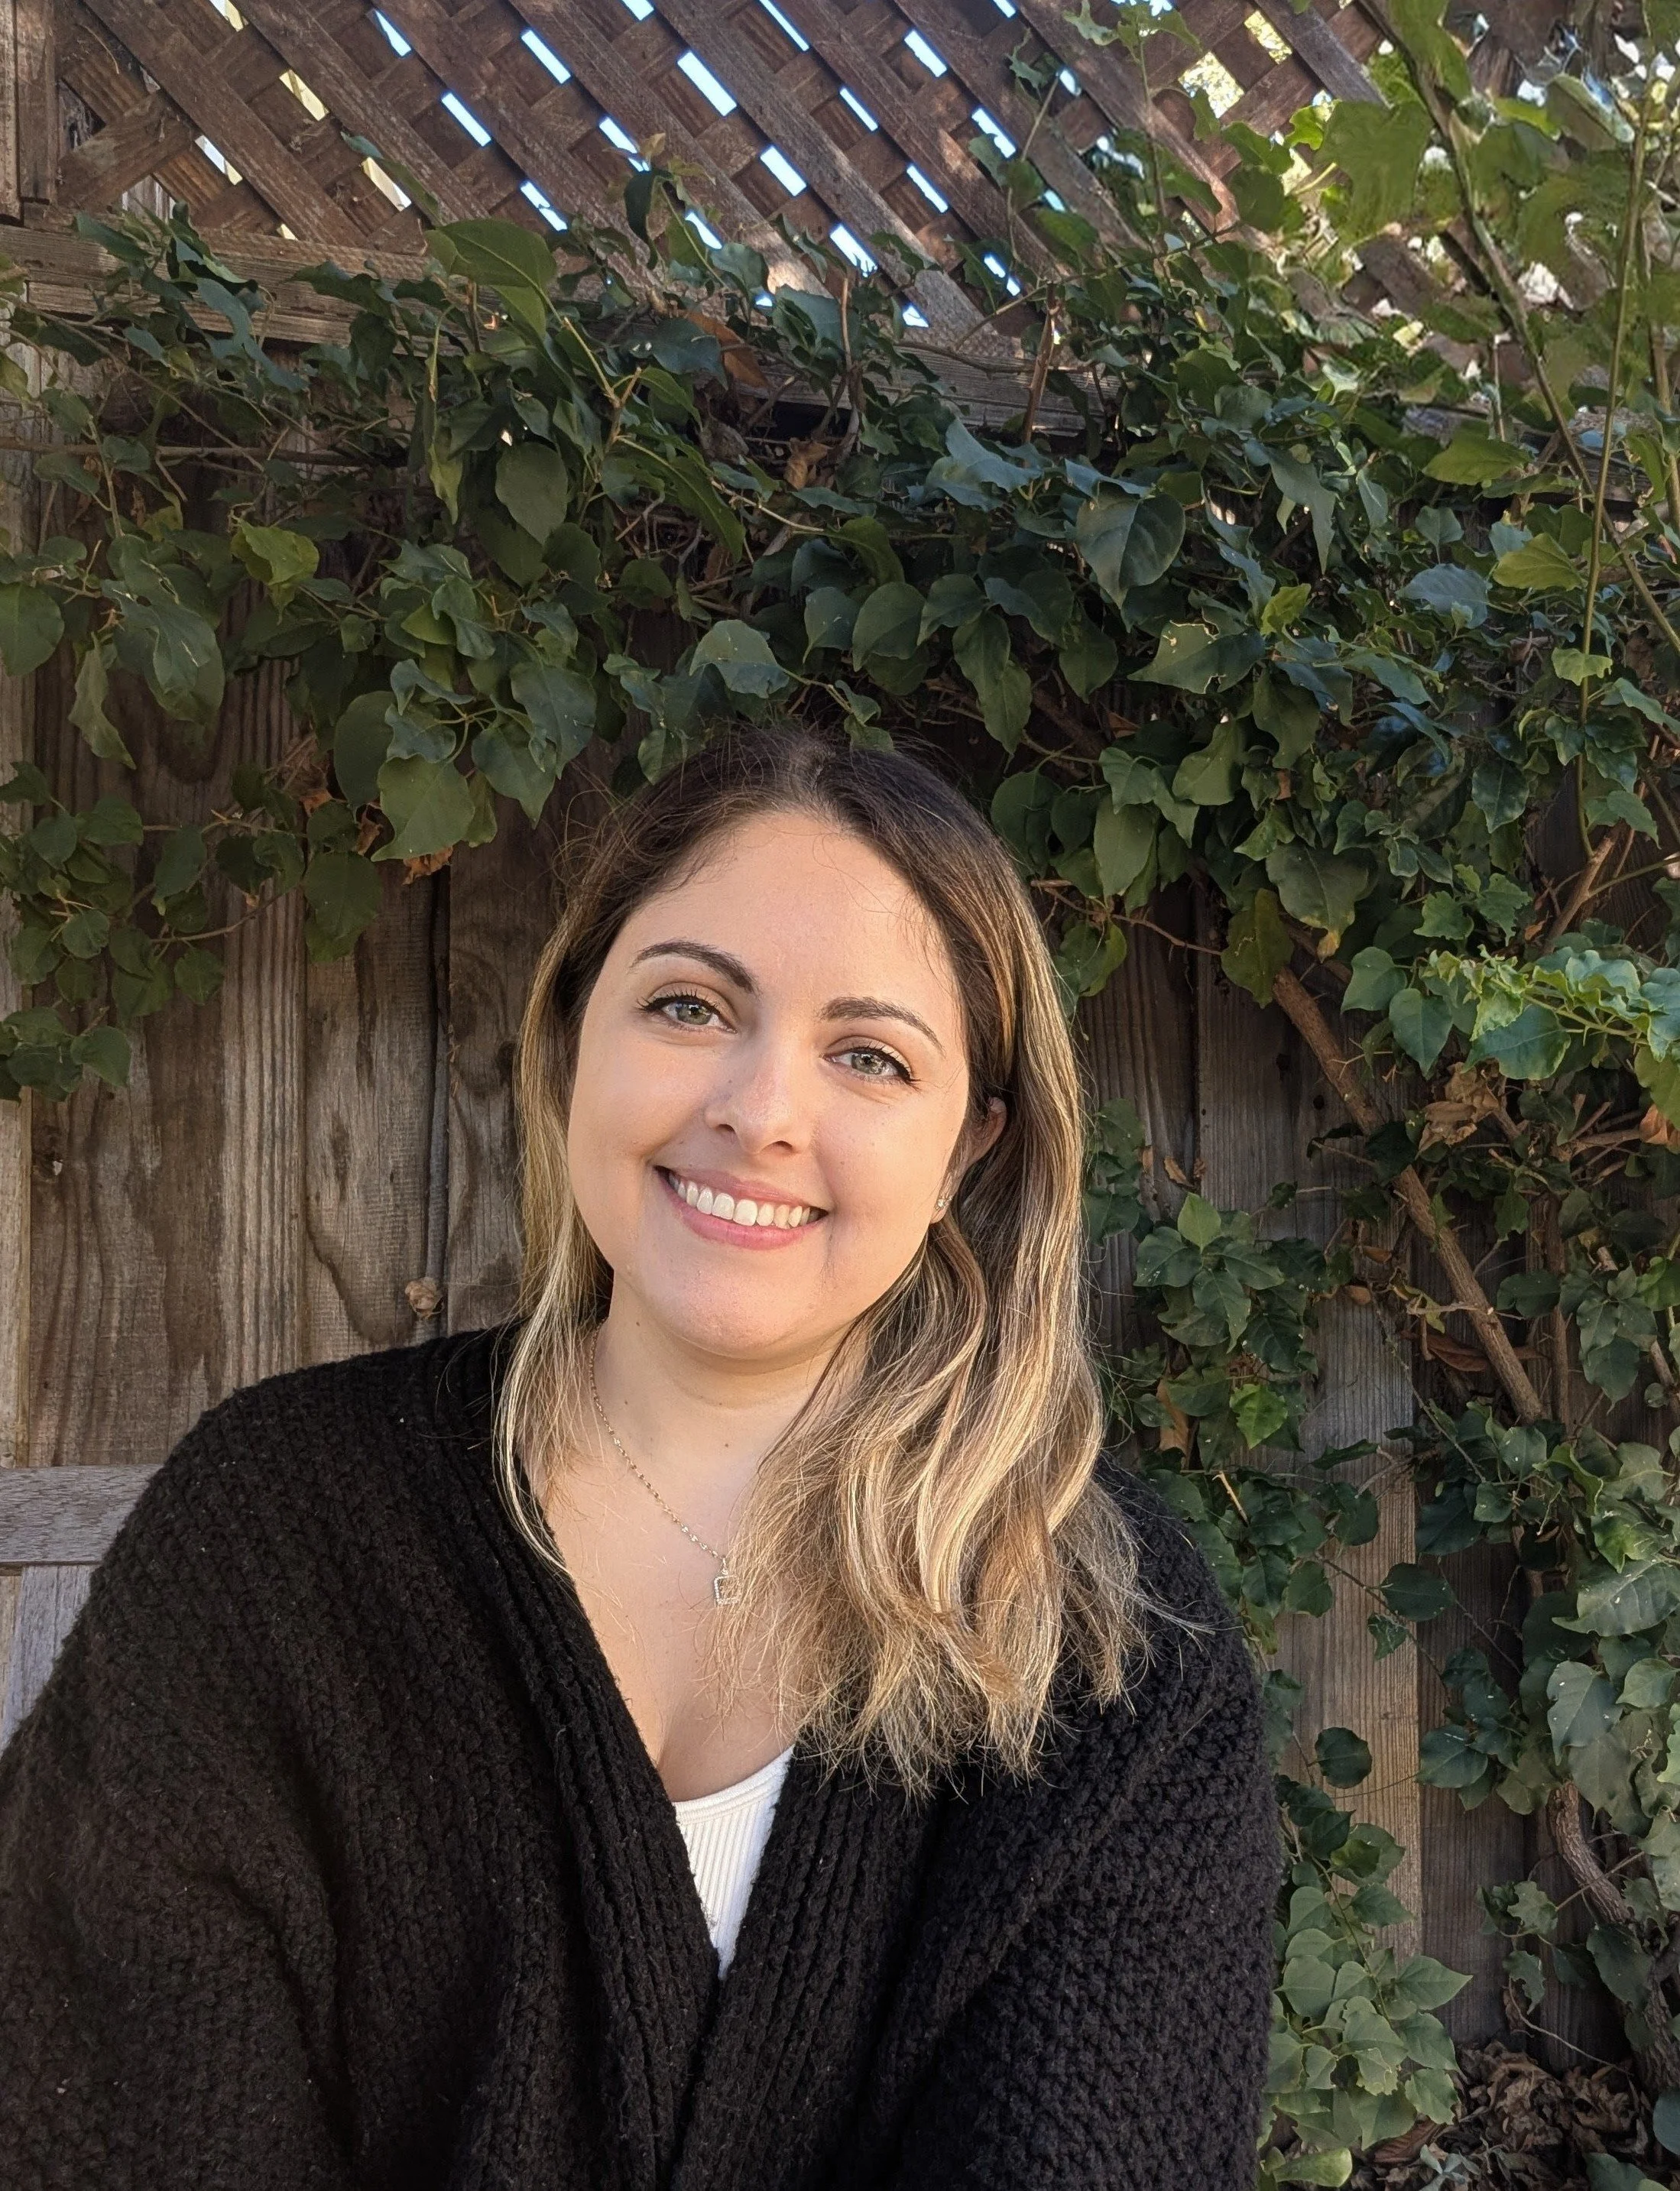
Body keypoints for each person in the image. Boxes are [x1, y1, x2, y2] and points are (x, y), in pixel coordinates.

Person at [0, 721, 1281, 2188]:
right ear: (568, 1043)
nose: (758, 1111)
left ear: (968, 1150)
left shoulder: (1110, 1651)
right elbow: (114, 2112)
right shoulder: (267, 1531)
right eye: (687, 1007)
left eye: (868, 1055)